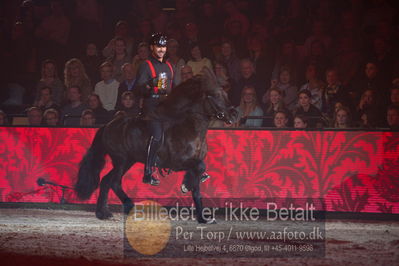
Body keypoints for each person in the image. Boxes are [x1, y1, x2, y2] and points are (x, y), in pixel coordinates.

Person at [134, 33, 174, 186]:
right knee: (157, 135)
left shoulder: (169, 65)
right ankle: (148, 171)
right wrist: (152, 85)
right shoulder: (146, 65)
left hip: (166, 107)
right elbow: (138, 89)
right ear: (152, 47)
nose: (161, 49)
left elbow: (171, 89)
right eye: (158, 46)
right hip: (151, 106)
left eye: (163, 47)